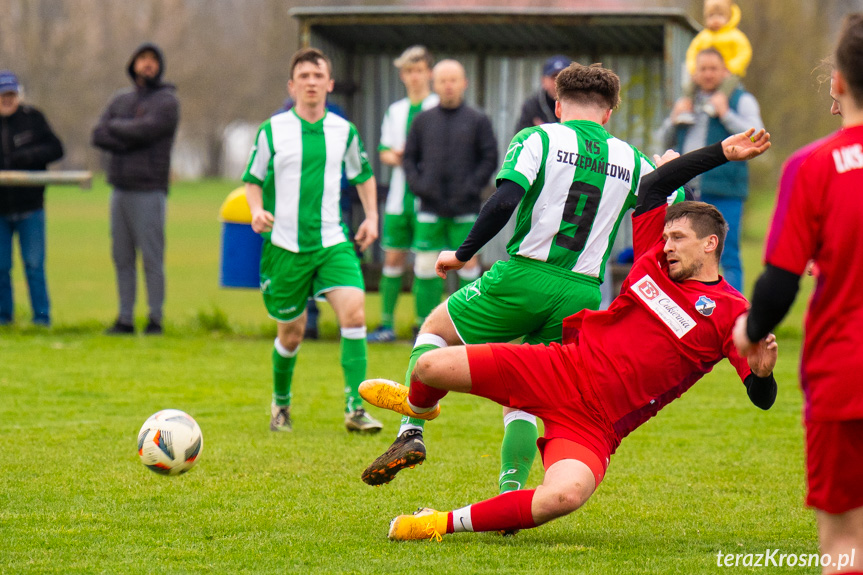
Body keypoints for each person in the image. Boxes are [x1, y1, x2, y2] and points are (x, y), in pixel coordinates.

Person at [359, 129, 775, 540]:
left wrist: (762, 374)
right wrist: (721, 152)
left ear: (710, 245)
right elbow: (652, 186)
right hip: (559, 367)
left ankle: (436, 522)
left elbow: (763, 398)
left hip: (597, 424)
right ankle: (419, 408)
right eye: (665, 236)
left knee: (564, 495)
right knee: (429, 366)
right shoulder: (654, 260)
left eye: (678, 238)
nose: (665, 245)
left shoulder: (734, 313)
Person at [361, 62, 719, 495]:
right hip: (584, 292)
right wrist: (670, 168)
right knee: (528, 392)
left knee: (435, 329)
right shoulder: (632, 160)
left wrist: (462, 253)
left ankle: (410, 431)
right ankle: (511, 491)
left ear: (557, 105)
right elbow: (681, 205)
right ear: (608, 114)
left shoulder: (539, 138)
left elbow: (504, 200)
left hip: (526, 274)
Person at [733, 15, 863, 575]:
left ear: (838, 81)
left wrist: (748, 327)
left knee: (843, 543)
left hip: (845, 373)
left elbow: (781, 282)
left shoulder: (812, 166)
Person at [242, 47, 383, 434]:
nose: (311, 82)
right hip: (284, 246)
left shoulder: (344, 131)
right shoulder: (272, 130)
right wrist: (256, 210)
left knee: (354, 313)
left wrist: (371, 217)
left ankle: (356, 408)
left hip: (332, 242)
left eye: (318, 76)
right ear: (292, 85)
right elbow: (252, 180)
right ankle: (281, 405)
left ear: (329, 84)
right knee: (292, 333)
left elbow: (363, 175)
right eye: (303, 76)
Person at [402, 59, 498, 334]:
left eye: (453, 80)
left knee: (468, 268)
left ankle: (467, 327)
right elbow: (409, 159)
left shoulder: (478, 120)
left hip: (466, 209)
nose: (448, 85)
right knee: (424, 267)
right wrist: (420, 186)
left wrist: (472, 187)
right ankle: (425, 327)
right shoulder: (422, 121)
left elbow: (489, 157)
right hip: (429, 209)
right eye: (443, 80)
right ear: (435, 84)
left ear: (463, 83)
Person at [92, 43, 179, 335]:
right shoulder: (120, 99)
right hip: (120, 189)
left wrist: (120, 130)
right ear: (133, 64)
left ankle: (155, 318)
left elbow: (149, 130)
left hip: (149, 189)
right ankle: (125, 318)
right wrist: (130, 133)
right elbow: (98, 134)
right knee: (122, 256)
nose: (148, 65)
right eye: (143, 59)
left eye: (153, 60)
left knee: (152, 257)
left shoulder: (167, 101)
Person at [659, 47, 763, 292]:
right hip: (688, 192)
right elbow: (663, 140)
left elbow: (757, 135)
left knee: (728, 255)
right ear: (695, 73)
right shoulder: (686, 101)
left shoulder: (741, 99)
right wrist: (674, 118)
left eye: (713, 69)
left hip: (725, 190)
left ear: (725, 71)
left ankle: (734, 314)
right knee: (684, 254)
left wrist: (725, 112)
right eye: (702, 69)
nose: (707, 74)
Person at [367, 46, 439, 344]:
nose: (414, 77)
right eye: (408, 71)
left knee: (427, 262)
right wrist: (399, 157)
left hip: (429, 200)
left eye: (419, 70)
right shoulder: (395, 111)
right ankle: (386, 325)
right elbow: (383, 152)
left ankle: (424, 327)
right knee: (393, 259)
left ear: (429, 73)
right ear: (402, 75)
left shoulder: (437, 107)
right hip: (399, 197)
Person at [0, 70, 64, 327]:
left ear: (18, 95)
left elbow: (56, 149)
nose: (7, 99)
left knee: (34, 266)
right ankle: (4, 319)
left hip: (30, 207)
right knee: (1, 268)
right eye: (3, 95)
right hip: (0, 210)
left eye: (11, 95)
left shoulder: (33, 119)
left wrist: (27, 158)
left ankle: (41, 319)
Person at [676, 0, 753, 124]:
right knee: (689, 85)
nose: (715, 20)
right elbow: (692, 53)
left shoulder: (734, 36)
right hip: (702, 74)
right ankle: (686, 108)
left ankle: (717, 102)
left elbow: (744, 52)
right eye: (711, 16)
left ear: (728, 17)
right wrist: (694, 69)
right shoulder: (704, 36)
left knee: (728, 84)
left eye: (720, 16)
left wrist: (731, 68)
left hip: (729, 72)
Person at [514, 55, 571, 133]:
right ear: (543, 81)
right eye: (554, 77)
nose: (558, 83)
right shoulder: (532, 106)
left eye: (563, 78)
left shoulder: (580, 105)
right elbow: (521, 139)